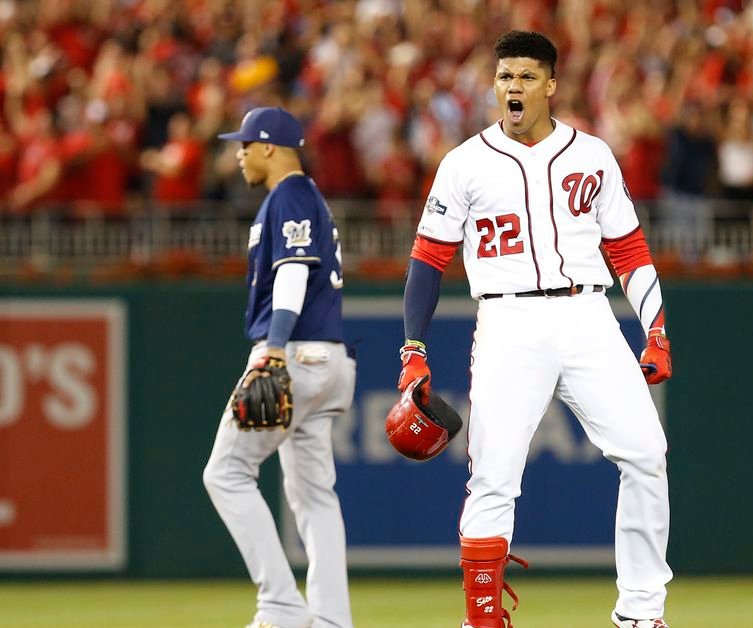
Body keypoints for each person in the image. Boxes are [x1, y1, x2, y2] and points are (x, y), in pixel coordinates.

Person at [398, 31, 673, 628]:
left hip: (587, 314)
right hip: (508, 318)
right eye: (505, 77)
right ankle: (483, 618)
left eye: (526, 76)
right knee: (493, 474)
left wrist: (655, 329)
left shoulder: (592, 153)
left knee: (647, 454)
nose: (513, 87)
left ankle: (642, 613)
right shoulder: (465, 163)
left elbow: (628, 249)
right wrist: (413, 349)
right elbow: (427, 261)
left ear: (550, 85)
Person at [203, 106, 356, 628]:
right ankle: (332, 618)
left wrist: (272, 350)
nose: (238, 153)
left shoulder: (288, 194)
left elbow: (292, 274)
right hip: (330, 358)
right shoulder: (308, 197)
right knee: (314, 495)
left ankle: (281, 605)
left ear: (269, 147)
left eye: (244, 144)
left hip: (295, 352)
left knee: (226, 473)